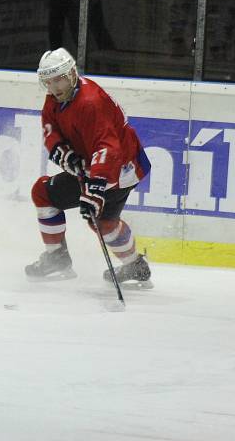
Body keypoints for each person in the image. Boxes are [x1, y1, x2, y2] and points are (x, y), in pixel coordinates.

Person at [25, 48, 153, 287]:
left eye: (58, 79)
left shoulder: (91, 102)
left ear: (72, 73)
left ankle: (135, 265)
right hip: (92, 165)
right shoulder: (55, 98)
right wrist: (64, 153)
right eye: (48, 82)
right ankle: (57, 257)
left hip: (122, 167)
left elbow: (109, 149)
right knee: (42, 192)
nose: (54, 87)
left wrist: (94, 188)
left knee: (102, 223)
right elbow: (50, 129)